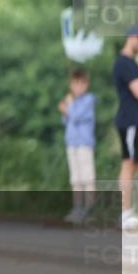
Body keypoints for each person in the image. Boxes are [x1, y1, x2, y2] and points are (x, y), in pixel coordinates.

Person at [113, 25, 138, 231]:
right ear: (131, 37)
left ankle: (128, 212)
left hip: (135, 120)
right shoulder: (125, 63)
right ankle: (125, 212)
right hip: (131, 121)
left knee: (133, 164)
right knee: (129, 165)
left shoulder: (132, 64)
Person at [57, 69, 96, 224]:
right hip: (71, 143)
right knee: (75, 178)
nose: (78, 87)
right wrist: (67, 108)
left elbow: (77, 116)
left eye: (81, 83)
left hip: (84, 143)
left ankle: (90, 208)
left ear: (86, 85)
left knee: (88, 177)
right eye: (75, 84)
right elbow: (66, 121)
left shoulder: (89, 100)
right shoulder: (71, 101)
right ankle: (77, 207)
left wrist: (68, 106)